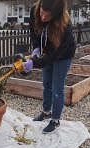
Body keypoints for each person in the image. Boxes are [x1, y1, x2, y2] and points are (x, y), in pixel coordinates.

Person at [21, 0, 76, 133]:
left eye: (48, 16)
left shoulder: (65, 24)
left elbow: (54, 55)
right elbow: (33, 31)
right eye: (42, 13)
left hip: (63, 55)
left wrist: (34, 63)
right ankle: (46, 112)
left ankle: (55, 120)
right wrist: (36, 48)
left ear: (56, 15)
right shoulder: (35, 9)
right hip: (46, 50)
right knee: (46, 84)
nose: (43, 17)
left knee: (57, 89)